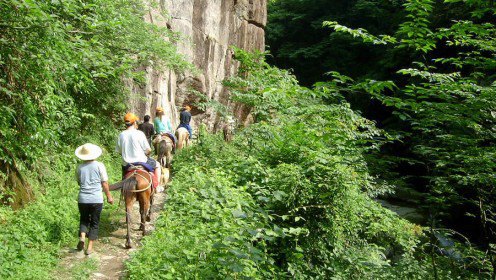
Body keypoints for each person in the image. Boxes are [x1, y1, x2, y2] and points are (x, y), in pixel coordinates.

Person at [75, 143, 114, 255]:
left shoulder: (79, 167)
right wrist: (109, 196)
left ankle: (82, 237)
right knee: (95, 223)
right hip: (96, 198)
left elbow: (79, 182)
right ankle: (89, 247)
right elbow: (104, 183)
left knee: (84, 219)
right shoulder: (99, 165)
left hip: (83, 198)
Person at [115, 113, 163, 192]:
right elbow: (148, 149)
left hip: (127, 164)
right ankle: (156, 186)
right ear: (134, 123)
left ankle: (123, 188)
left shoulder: (121, 135)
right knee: (157, 165)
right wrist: (147, 153)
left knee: (124, 170)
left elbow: (119, 151)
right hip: (141, 162)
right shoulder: (139, 133)